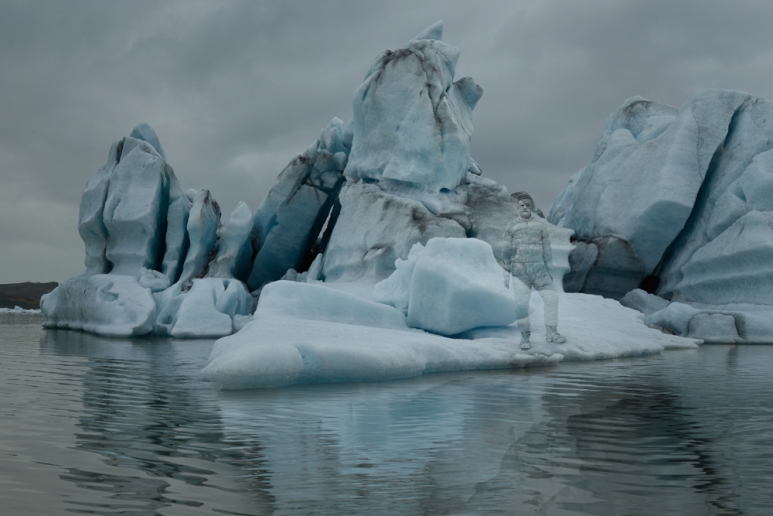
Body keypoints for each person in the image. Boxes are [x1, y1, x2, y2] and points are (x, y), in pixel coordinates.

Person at [501, 192, 566, 349]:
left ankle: (552, 332)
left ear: (532, 207)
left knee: (551, 299)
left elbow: (547, 251)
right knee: (521, 305)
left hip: (539, 269)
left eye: (528, 204)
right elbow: (506, 252)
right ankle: (524, 337)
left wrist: (550, 271)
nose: (525, 207)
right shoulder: (511, 227)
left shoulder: (540, 226)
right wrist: (505, 274)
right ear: (517, 207)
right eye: (522, 205)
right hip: (520, 271)